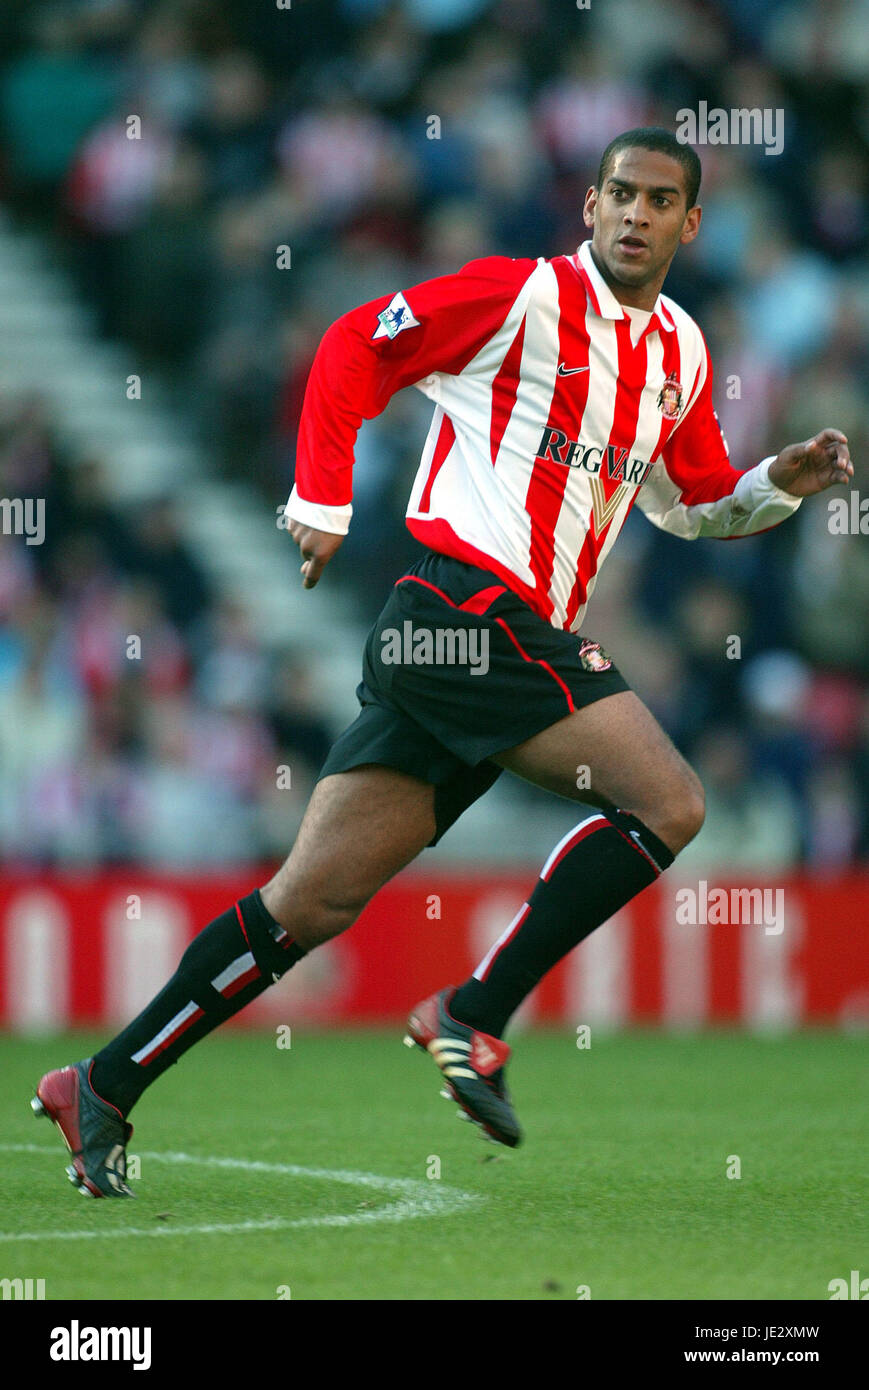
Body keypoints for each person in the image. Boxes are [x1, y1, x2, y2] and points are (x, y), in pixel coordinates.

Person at [33, 127, 852, 1195]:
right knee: (670, 802)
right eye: (618, 194)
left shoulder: (681, 356)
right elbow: (354, 342)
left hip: (472, 645)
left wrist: (776, 482)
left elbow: (690, 505)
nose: (635, 214)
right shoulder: (519, 297)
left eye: (659, 200)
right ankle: (471, 1012)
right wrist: (320, 501)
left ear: (689, 223)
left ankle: (101, 1081)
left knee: (309, 904)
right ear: (589, 206)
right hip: (463, 605)